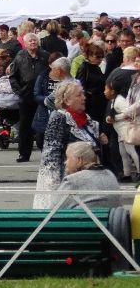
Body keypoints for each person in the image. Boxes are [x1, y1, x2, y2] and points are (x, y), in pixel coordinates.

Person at [33, 80, 101, 209]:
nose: (84, 97)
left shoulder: (87, 120)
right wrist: (54, 192)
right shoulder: (59, 118)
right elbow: (50, 159)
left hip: (88, 184)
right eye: (79, 95)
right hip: (68, 186)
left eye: (83, 94)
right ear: (67, 100)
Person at [10, 33, 49, 162]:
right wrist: (19, 91)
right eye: (30, 41)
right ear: (25, 44)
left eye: (34, 40)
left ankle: (46, 152)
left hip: (41, 96)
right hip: (25, 96)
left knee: (43, 126)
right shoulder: (20, 56)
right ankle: (24, 153)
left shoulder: (45, 56)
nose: (33, 42)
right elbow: (13, 76)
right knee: (25, 126)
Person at [54, 141, 127, 207]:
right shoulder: (110, 175)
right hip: (111, 221)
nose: (65, 162)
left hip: (84, 221)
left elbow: (53, 210)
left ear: (79, 160)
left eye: (68, 158)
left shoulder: (72, 181)